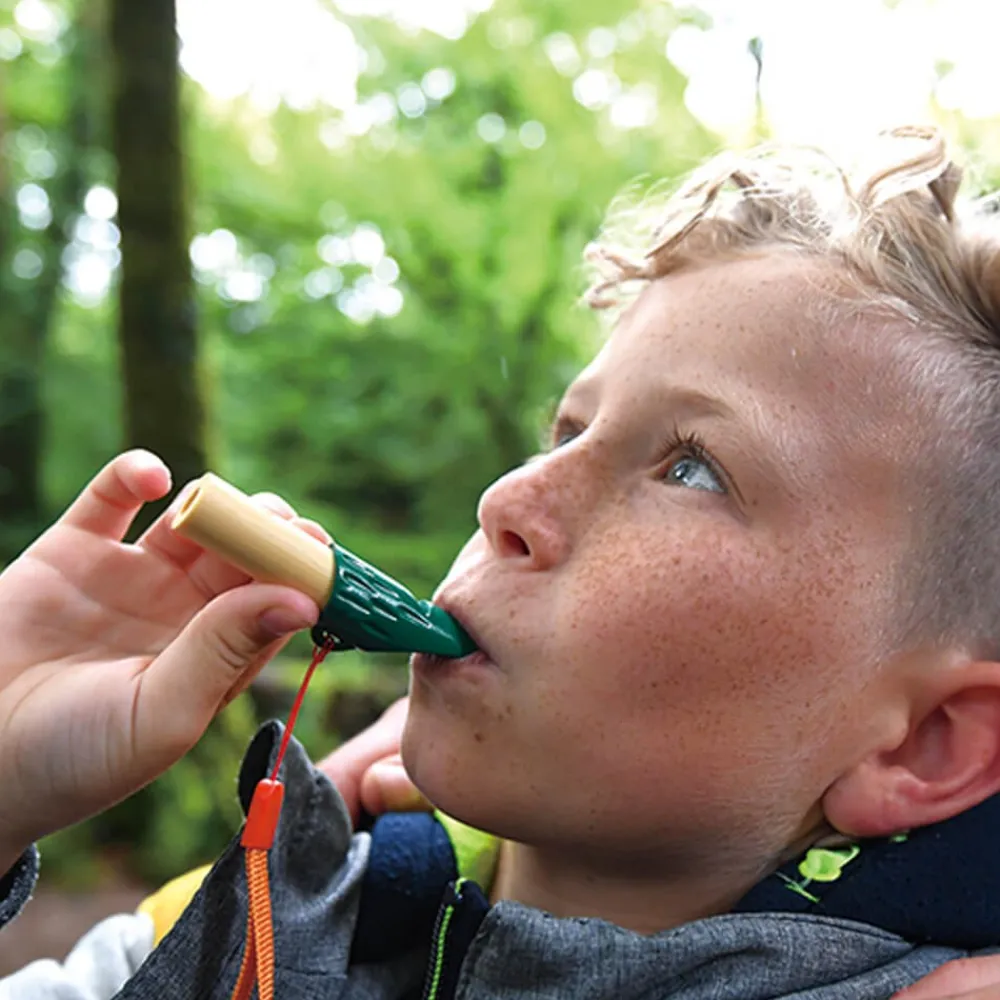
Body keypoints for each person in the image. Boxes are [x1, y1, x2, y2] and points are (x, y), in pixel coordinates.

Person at [7, 124, 1000, 1000]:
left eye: (690, 468)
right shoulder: (236, 932)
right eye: (563, 431)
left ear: (924, 746)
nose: (507, 501)